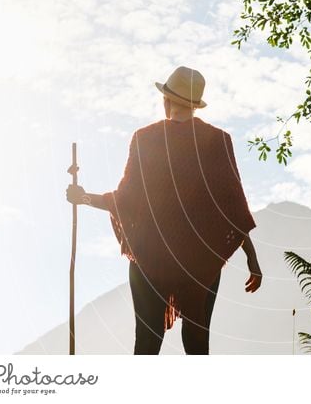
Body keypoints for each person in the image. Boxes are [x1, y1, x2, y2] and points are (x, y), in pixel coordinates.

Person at [66, 66, 262, 355]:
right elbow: (231, 209)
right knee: (197, 344)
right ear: (195, 105)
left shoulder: (145, 139)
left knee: (146, 342)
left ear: (166, 99)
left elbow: (126, 200)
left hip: (150, 258)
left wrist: (83, 198)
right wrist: (252, 260)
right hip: (200, 262)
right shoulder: (218, 141)